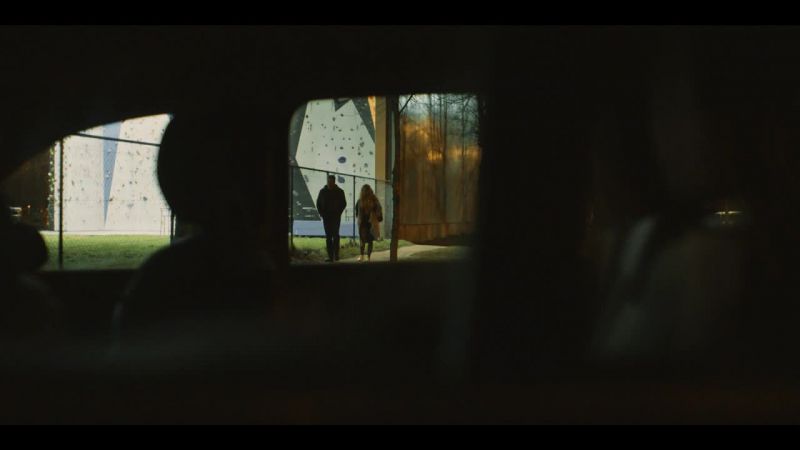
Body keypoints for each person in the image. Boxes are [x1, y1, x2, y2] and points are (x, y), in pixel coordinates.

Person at [316, 175, 347, 262]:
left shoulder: (339, 192)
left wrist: (338, 212)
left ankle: (336, 255)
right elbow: (318, 203)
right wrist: (322, 214)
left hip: (335, 217)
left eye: (331, 182)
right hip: (326, 217)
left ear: (334, 182)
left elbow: (343, 203)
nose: (330, 183)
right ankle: (330, 256)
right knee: (328, 236)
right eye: (328, 181)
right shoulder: (322, 191)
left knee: (335, 235)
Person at [355, 184, 383, 262]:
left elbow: (378, 209)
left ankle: (365, 256)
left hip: (370, 222)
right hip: (364, 222)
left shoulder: (373, 200)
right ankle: (364, 256)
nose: (365, 192)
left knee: (367, 239)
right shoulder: (361, 200)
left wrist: (379, 217)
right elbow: (357, 210)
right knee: (364, 239)